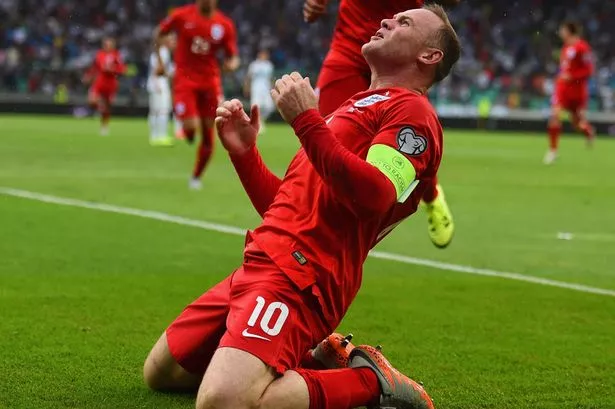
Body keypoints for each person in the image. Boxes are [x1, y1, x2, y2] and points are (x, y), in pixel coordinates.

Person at [144, 5, 460, 409]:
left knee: (222, 401)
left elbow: (376, 195)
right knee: (162, 373)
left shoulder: (412, 112)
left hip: (303, 274)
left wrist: (308, 121)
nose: (385, 21)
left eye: (404, 23)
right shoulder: (352, 105)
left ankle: (372, 381)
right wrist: (245, 155)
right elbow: (285, 208)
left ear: (429, 56)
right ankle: (314, 358)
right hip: (261, 259)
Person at [304, 0, 458, 248]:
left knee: (412, 138)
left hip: (405, 55)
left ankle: (432, 197)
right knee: (322, 142)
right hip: (349, 49)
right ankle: (308, 223)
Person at [155, 0, 240, 189]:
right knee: (191, 126)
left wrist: (232, 64)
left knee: (209, 133)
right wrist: (161, 61)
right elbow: (159, 33)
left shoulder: (224, 25)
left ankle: (196, 176)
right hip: (185, 79)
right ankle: (188, 132)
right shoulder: (182, 15)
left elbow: (232, 55)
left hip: (210, 82)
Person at [544, 21, 595, 165]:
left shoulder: (582, 47)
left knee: (577, 125)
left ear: (569, 31)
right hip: (563, 89)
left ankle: (588, 131)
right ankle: (553, 151)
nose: (560, 32)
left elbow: (588, 70)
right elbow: (564, 69)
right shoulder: (565, 48)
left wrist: (572, 76)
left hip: (577, 91)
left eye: (562, 29)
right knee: (554, 116)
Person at [84, 37, 126, 136]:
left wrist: (112, 69)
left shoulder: (117, 55)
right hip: (100, 81)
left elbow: (122, 69)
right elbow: (95, 67)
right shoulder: (100, 54)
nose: (107, 46)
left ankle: (104, 126)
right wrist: (89, 75)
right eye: (106, 44)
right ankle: (99, 107)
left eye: (109, 44)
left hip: (111, 83)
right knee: (92, 100)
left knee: (107, 107)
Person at [147, 34, 176, 146]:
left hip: (153, 83)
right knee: (163, 110)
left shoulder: (157, 52)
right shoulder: (163, 52)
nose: (173, 42)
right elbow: (158, 70)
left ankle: (154, 136)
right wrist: (169, 74)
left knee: (154, 111)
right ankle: (161, 136)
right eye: (171, 39)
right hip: (159, 83)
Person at [244, 50, 275, 134]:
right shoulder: (254, 65)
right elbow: (248, 77)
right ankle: (256, 123)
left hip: (266, 88)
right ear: (259, 55)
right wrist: (246, 88)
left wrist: (273, 88)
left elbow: (271, 78)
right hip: (256, 88)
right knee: (256, 106)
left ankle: (260, 120)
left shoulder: (269, 65)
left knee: (270, 107)